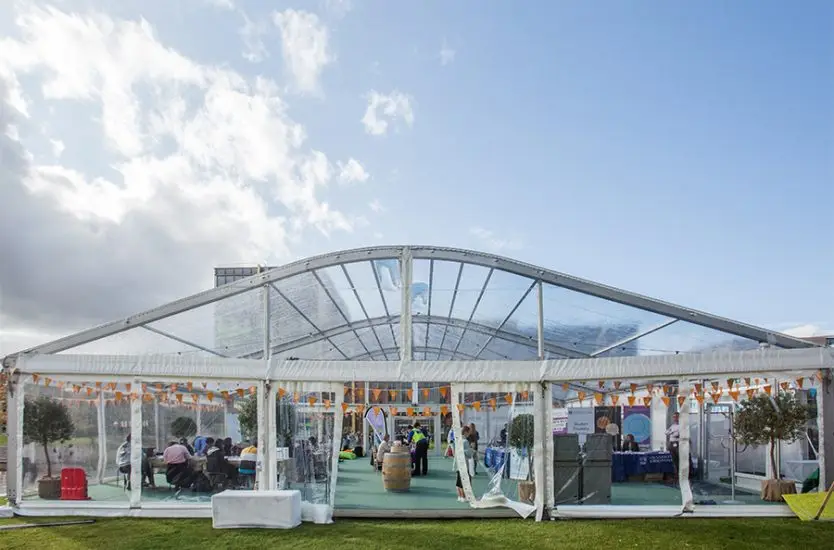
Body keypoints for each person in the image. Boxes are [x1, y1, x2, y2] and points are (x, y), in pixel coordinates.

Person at [455, 426, 474, 502]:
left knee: (458, 481)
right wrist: (471, 449)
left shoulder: (458, 440)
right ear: (466, 432)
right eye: (469, 432)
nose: (469, 434)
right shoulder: (465, 441)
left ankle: (460, 496)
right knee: (465, 481)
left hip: (458, 464)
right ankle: (465, 497)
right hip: (464, 464)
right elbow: (469, 454)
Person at [666, 413, 680, 479]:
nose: (675, 418)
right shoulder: (673, 426)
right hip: (671, 444)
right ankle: (676, 474)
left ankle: (681, 474)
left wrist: (672, 433)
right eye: (674, 417)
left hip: (678, 444)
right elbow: (666, 432)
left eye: (676, 417)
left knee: (679, 459)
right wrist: (672, 432)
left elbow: (678, 434)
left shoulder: (682, 425)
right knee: (673, 460)